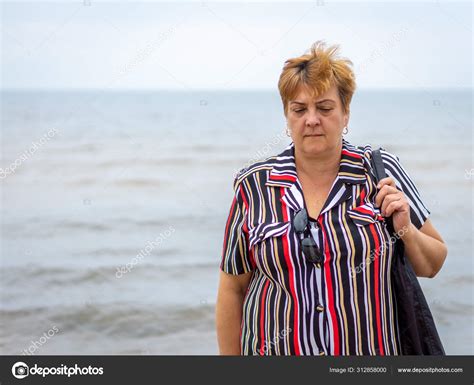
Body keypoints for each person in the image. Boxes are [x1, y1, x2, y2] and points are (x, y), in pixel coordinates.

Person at [215, 41, 447, 356]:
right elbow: (232, 288)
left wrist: (405, 227)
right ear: (287, 116)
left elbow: (433, 264)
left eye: (324, 108)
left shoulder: (379, 172)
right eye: (299, 109)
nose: (311, 120)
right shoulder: (254, 185)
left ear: (345, 113)